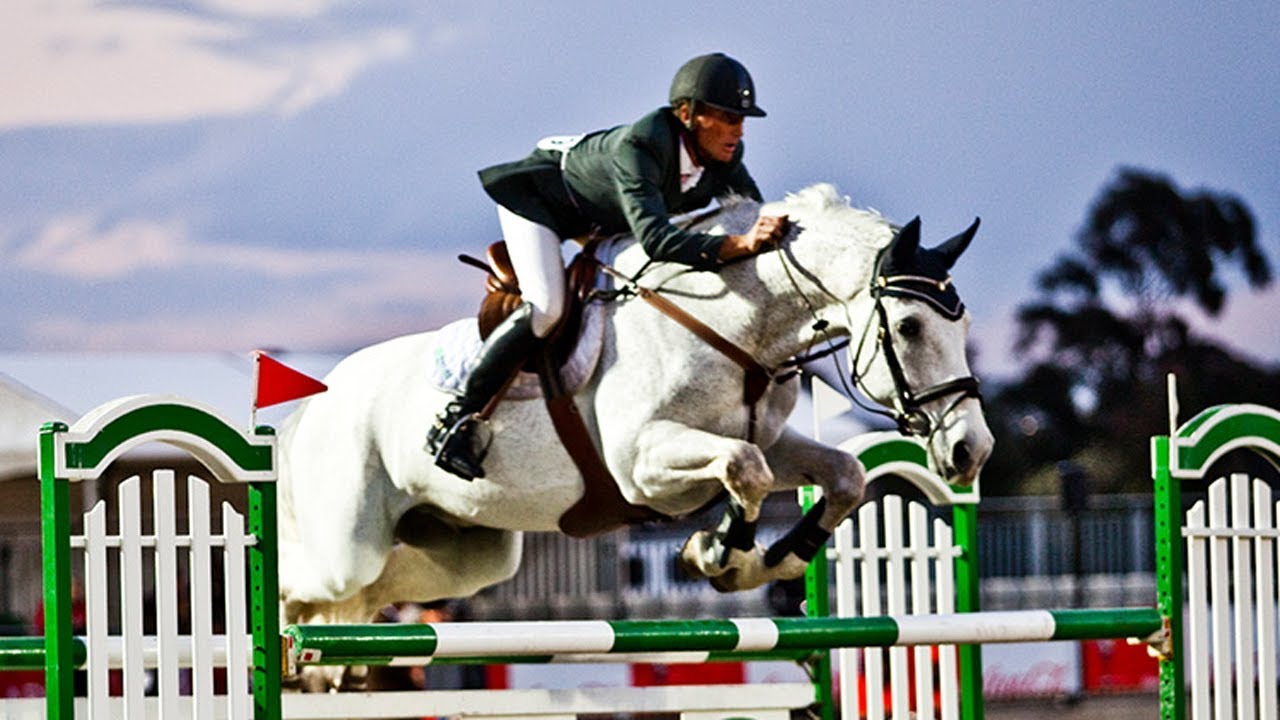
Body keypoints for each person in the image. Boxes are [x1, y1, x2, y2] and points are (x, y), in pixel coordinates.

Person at [427, 52, 790, 481]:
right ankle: (458, 419)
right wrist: (739, 244)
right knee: (547, 308)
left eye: (742, 119)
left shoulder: (724, 154)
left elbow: (753, 215)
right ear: (687, 114)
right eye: (728, 117)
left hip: (603, 217)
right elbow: (658, 241)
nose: (739, 130)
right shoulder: (641, 147)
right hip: (541, 202)